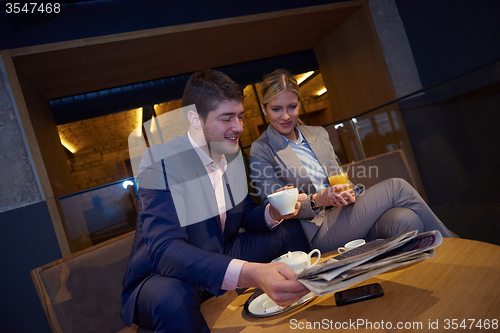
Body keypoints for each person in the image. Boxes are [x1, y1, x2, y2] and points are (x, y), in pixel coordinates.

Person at [121, 69, 311, 333]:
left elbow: (244, 214)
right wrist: (252, 273)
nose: (239, 127)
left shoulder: (229, 154)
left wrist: (273, 213)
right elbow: (165, 249)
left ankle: (306, 302)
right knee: (171, 298)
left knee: (289, 230)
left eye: (240, 116)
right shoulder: (161, 162)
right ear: (196, 119)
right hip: (162, 274)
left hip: (219, 252)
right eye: (227, 118)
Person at [249, 68, 455, 253]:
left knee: (407, 220)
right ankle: (455, 248)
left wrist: (346, 191)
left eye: (291, 107)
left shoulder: (318, 134)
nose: (285, 116)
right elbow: (274, 207)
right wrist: (317, 200)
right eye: (276, 109)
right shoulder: (262, 149)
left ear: (299, 104)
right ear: (265, 109)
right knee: (397, 187)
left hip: (346, 212)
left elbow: (338, 176)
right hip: (317, 229)